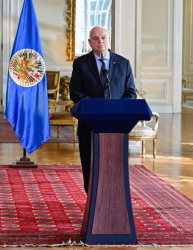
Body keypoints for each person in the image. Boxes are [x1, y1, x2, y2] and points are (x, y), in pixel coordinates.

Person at [69, 26, 137, 194]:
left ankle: (115, 197)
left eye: (104, 37)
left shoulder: (123, 63)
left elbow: (131, 93)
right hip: (89, 127)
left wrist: (118, 109)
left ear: (109, 39)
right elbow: (75, 92)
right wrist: (94, 108)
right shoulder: (81, 64)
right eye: (96, 38)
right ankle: (92, 199)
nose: (100, 41)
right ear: (90, 42)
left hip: (117, 128)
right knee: (90, 164)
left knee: (114, 165)